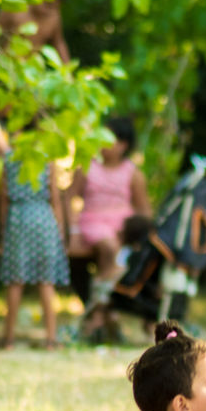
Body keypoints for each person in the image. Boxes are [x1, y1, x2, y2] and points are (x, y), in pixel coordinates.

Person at [68, 117, 151, 335]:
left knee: (116, 252)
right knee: (110, 247)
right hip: (93, 223)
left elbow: (144, 210)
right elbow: (69, 199)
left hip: (122, 228)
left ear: (123, 145)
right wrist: (72, 231)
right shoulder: (87, 167)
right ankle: (103, 312)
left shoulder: (133, 173)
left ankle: (101, 313)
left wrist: (141, 236)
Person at [0, 143, 69, 349]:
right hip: (43, 217)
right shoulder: (46, 158)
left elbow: (4, 197)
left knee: (15, 279)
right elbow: (54, 197)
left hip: (17, 218)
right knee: (46, 280)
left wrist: (3, 228)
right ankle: (51, 339)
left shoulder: (10, 158)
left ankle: (8, 338)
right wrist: (61, 231)